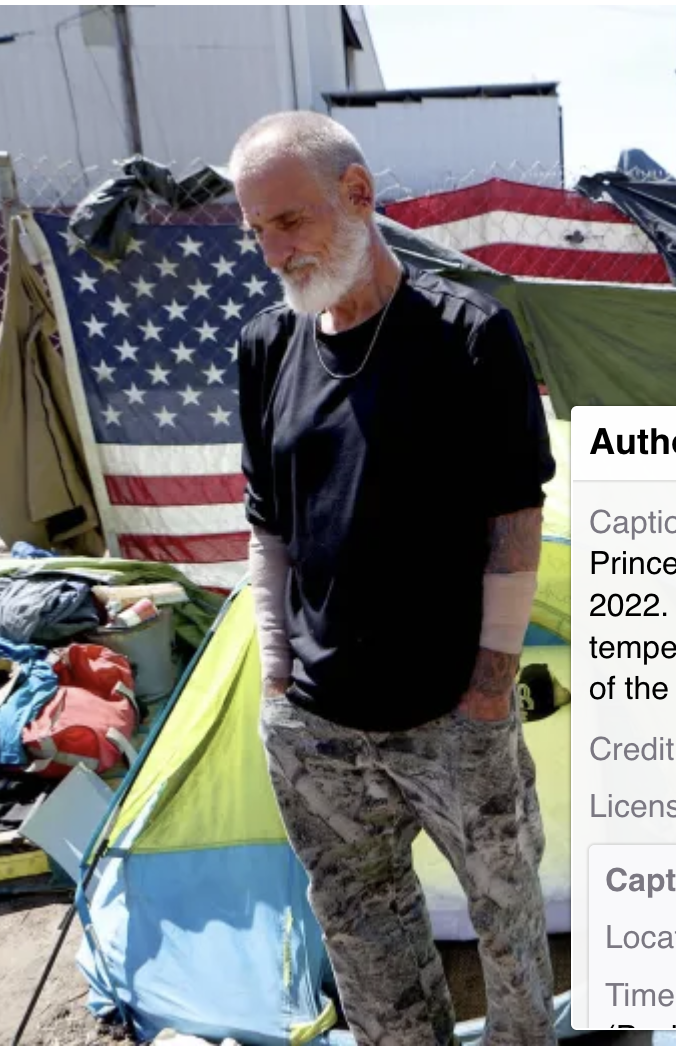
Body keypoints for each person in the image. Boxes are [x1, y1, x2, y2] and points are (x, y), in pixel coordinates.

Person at [231, 111, 557, 1046]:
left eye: (288, 222)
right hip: (317, 730)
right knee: (365, 937)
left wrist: (490, 691)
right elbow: (267, 525)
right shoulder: (265, 348)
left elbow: (514, 515)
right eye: (256, 231)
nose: (272, 253)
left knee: (507, 931)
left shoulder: (468, 334)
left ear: (358, 195)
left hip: (455, 721)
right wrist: (275, 679)